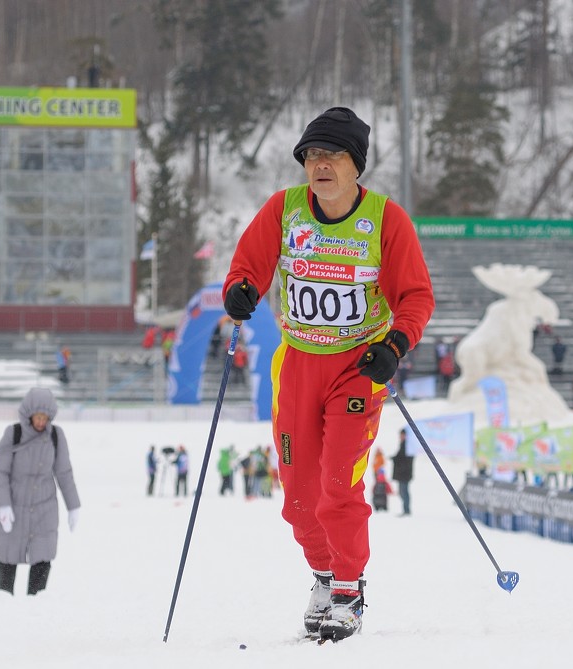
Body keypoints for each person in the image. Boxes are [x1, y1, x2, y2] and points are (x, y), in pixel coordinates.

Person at [222, 106, 434, 642]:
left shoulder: (386, 220)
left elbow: (415, 297)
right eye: (311, 155)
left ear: (354, 165)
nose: (320, 165)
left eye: (332, 155)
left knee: (339, 482)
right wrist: (241, 288)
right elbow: (248, 263)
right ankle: (322, 573)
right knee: (297, 497)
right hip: (296, 364)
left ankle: (347, 586)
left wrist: (395, 344)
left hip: (358, 366)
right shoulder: (285, 209)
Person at [0, 387, 81, 596]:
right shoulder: (14, 433)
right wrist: (3, 504)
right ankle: (3, 603)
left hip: (44, 508)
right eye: (37, 417)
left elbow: (64, 472)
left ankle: (36, 603)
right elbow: (0, 471)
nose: (41, 422)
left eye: (45, 418)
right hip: (14, 506)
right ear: (28, 414)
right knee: (8, 556)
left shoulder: (56, 436)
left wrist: (73, 506)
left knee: (42, 556)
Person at [391, 429, 414, 516]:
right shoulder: (404, 445)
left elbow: (406, 460)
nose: (400, 437)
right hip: (403, 473)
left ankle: (406, 510)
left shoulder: (408, 445)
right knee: (402, 492)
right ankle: (406, 510)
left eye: (402, 435)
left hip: (405, 474)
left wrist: (396, 460)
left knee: (404, 492)